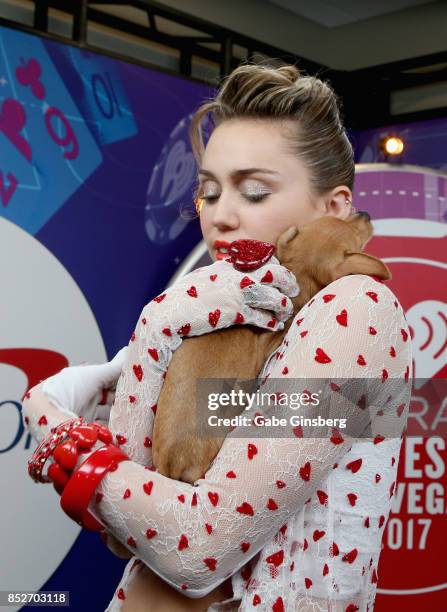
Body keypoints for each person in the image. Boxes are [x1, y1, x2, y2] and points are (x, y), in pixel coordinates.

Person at [22, 62, 413, 611]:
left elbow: (199, 546)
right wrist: (147, 347)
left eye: (254, 191)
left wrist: (57, 429)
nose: (221, 217)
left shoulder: (358, 309)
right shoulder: (220, 317)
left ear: (335, 208)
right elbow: (125, 529)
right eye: (209, 191)